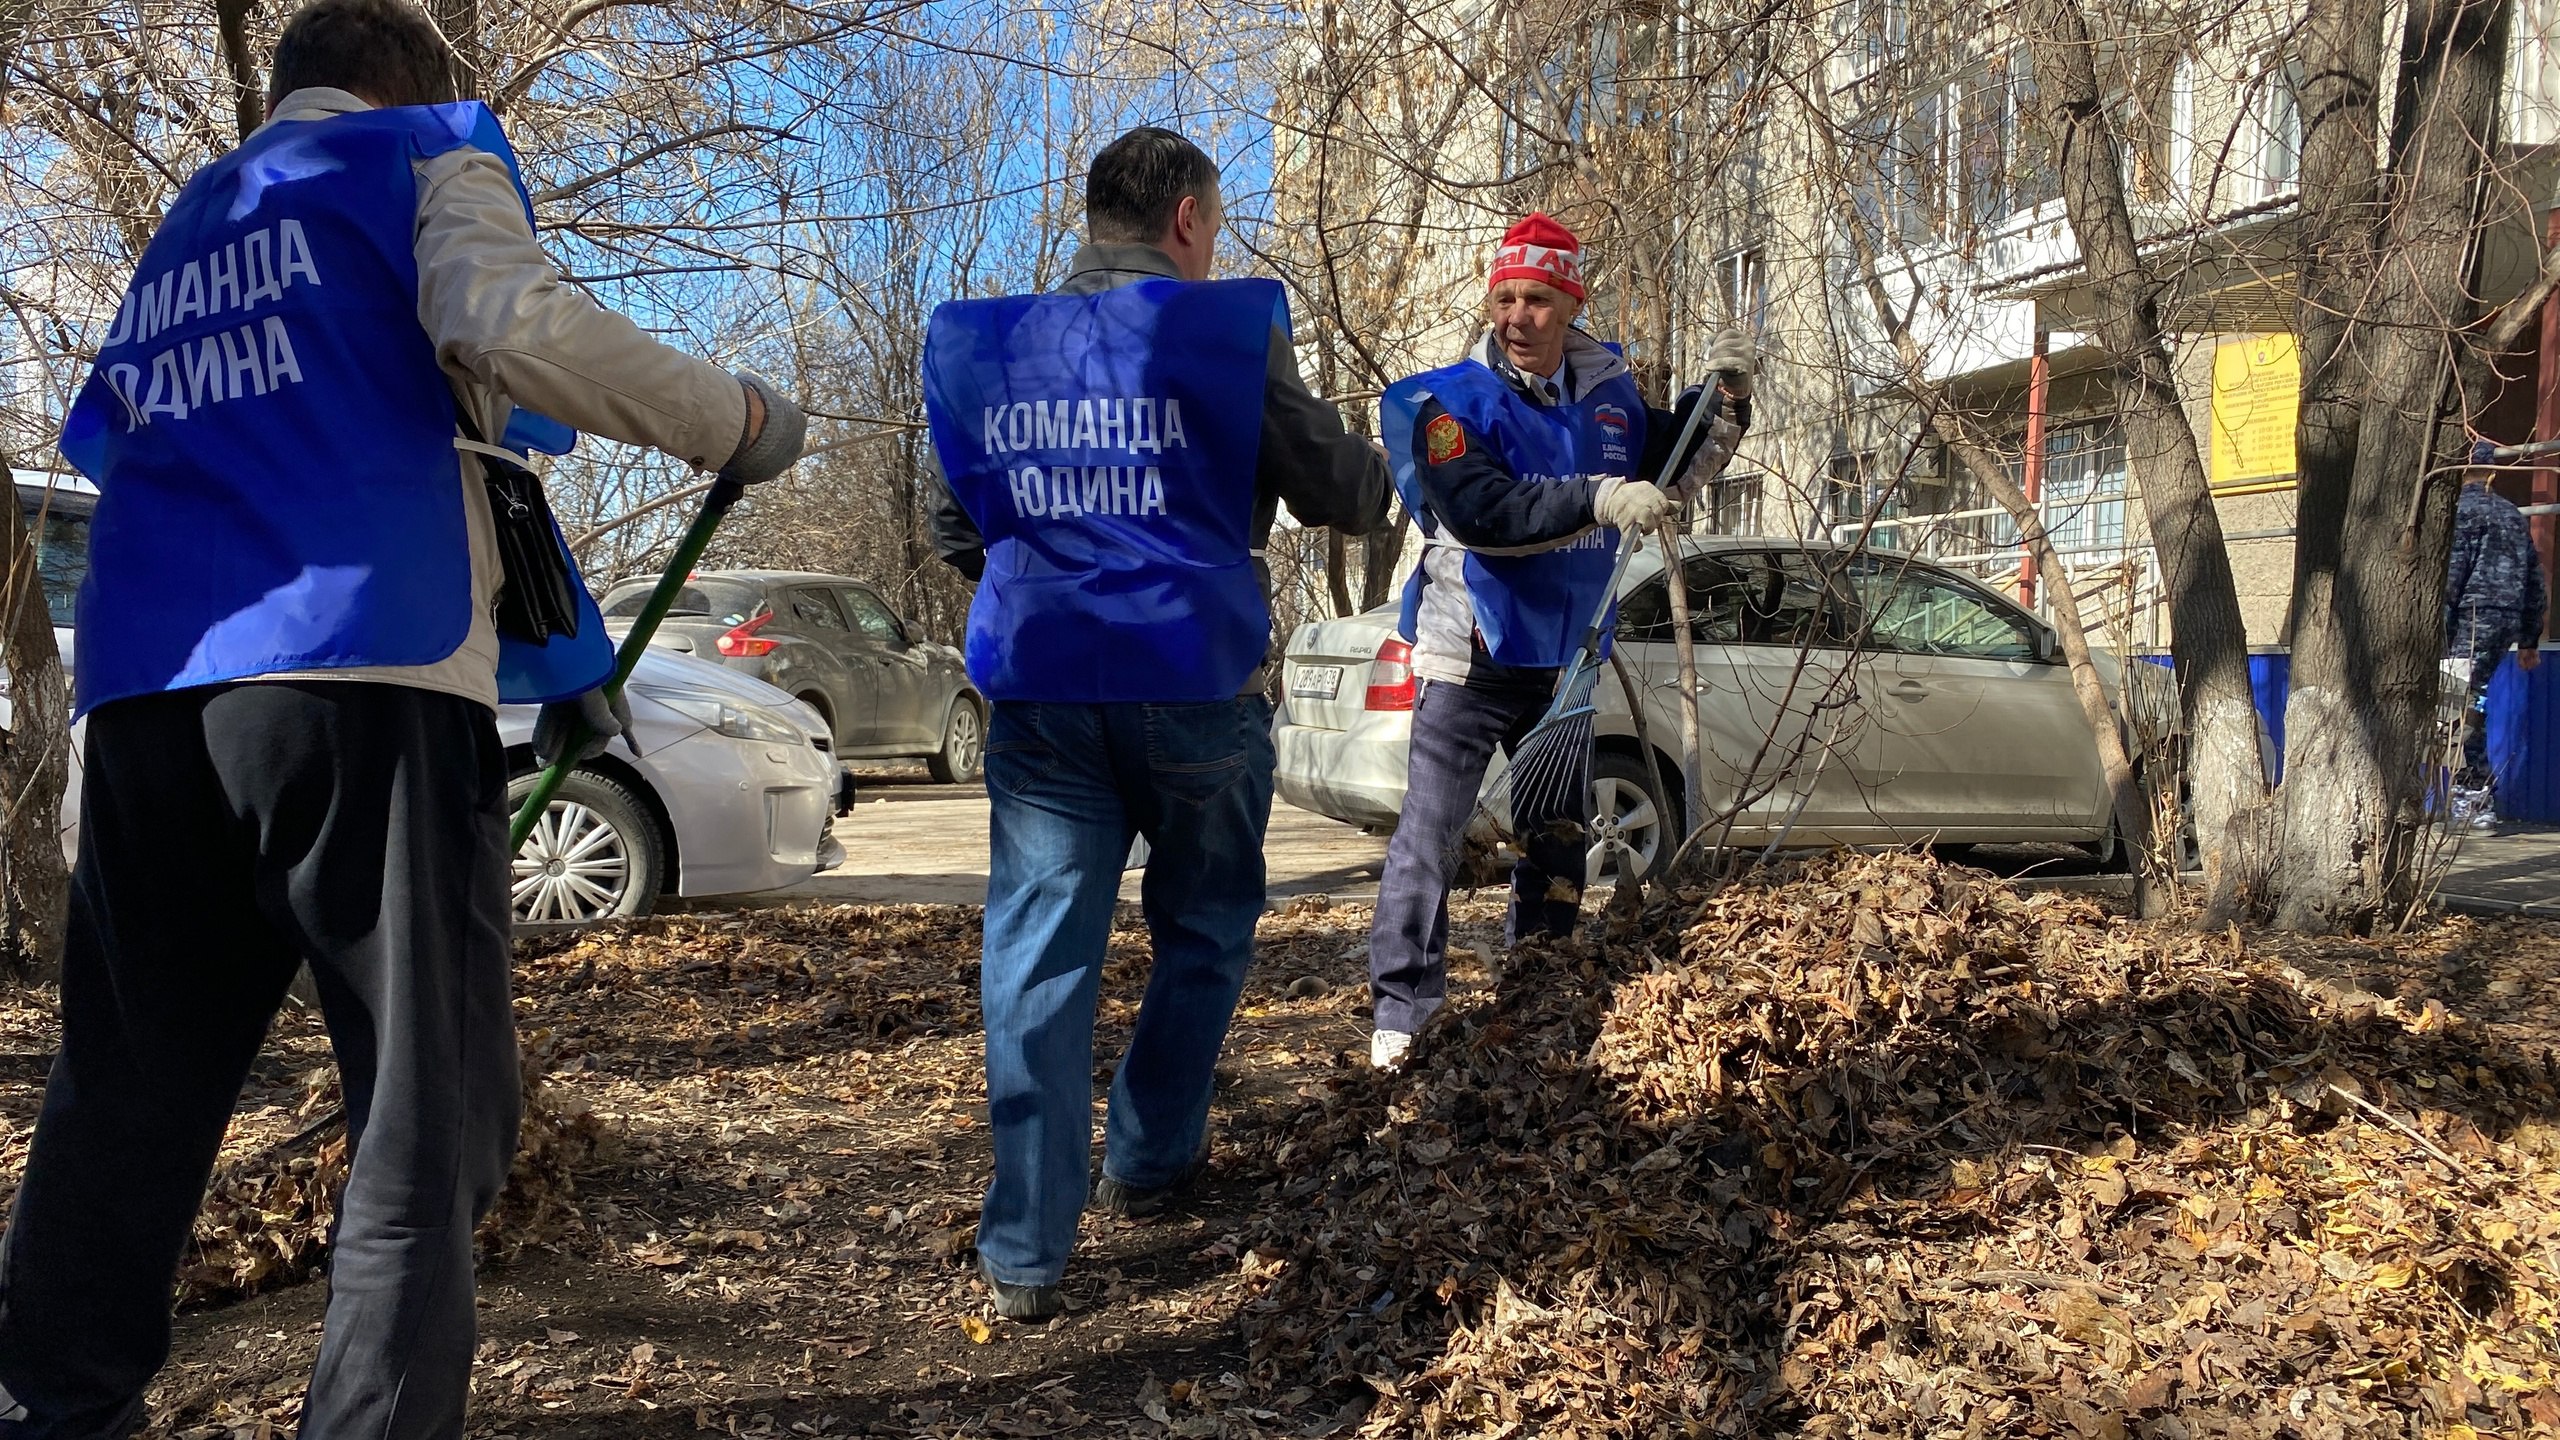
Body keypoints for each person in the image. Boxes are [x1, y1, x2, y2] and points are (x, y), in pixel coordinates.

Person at [0, 1, 806, 1433]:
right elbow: (506, 322)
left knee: (128, 1090)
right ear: (408, 86)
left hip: (146, 693)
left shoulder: (192, 225)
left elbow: (128, 439)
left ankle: (50, 1404)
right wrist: (731, 419)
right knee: (429, 1118)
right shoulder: (423, 150)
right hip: (358, 673)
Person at [920, 127, 1390, 1321]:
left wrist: (1061, 568)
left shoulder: (991, 347)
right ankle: (1147, 1155)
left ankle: (1025, 1253)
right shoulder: (1222, 331)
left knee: (1036, 958)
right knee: (1206, 929)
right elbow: (1336, 490)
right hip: (1193, 684)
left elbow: (958, 527)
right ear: (1186, 219)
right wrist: (1382, 465)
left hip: (1044, 692)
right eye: (1213, 226)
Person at [1364, 213, 1752, 1071]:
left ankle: (1537, 990)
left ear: (1572, 304)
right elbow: (1484, 513)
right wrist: (1599, 498)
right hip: (1471, 654)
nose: (1517, 316)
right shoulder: (1451, 404)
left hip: (1566, 663)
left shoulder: (1610, 398)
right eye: (1503, 298)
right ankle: (1403, 1012)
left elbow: (1678, 462)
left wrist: (1726, 400)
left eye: (1537, 299)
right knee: (1431, 837)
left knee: (1558, 836)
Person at [2445, 454, 2546, 827]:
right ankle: (2471, 795)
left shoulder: (2460, 512)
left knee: (2457, 705)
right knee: (2470, 700)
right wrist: (2529, 639)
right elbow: (2535, 581)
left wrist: (2440, 631)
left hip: (2469, 620)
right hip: (2505, 620)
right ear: (2492, 473)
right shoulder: (2512, 515)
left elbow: (2452, 576)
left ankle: (2473, 797)